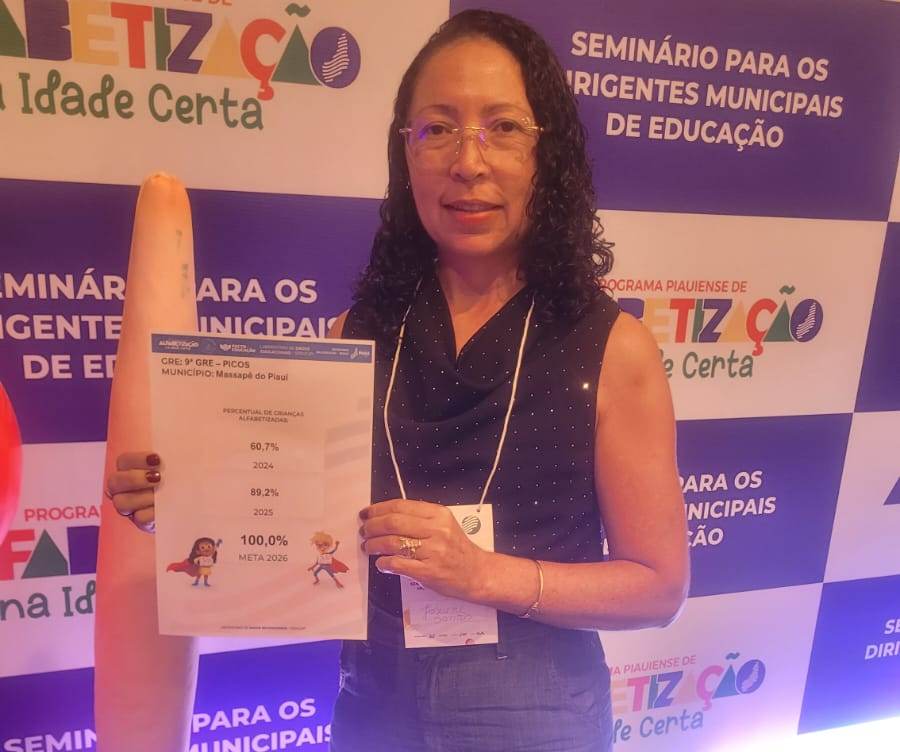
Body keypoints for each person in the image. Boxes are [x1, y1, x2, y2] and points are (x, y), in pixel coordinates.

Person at [107, 9, 689, 752]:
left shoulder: (611, 345)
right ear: (405, 152)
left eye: (503, 128)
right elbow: (295, 516)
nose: (468, 161)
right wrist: (188, 501)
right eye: (437, 128)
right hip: (373, 692)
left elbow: (658, 587)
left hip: (535, 702)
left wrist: (484, 575)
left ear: (548, 154)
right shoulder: (357, 330)